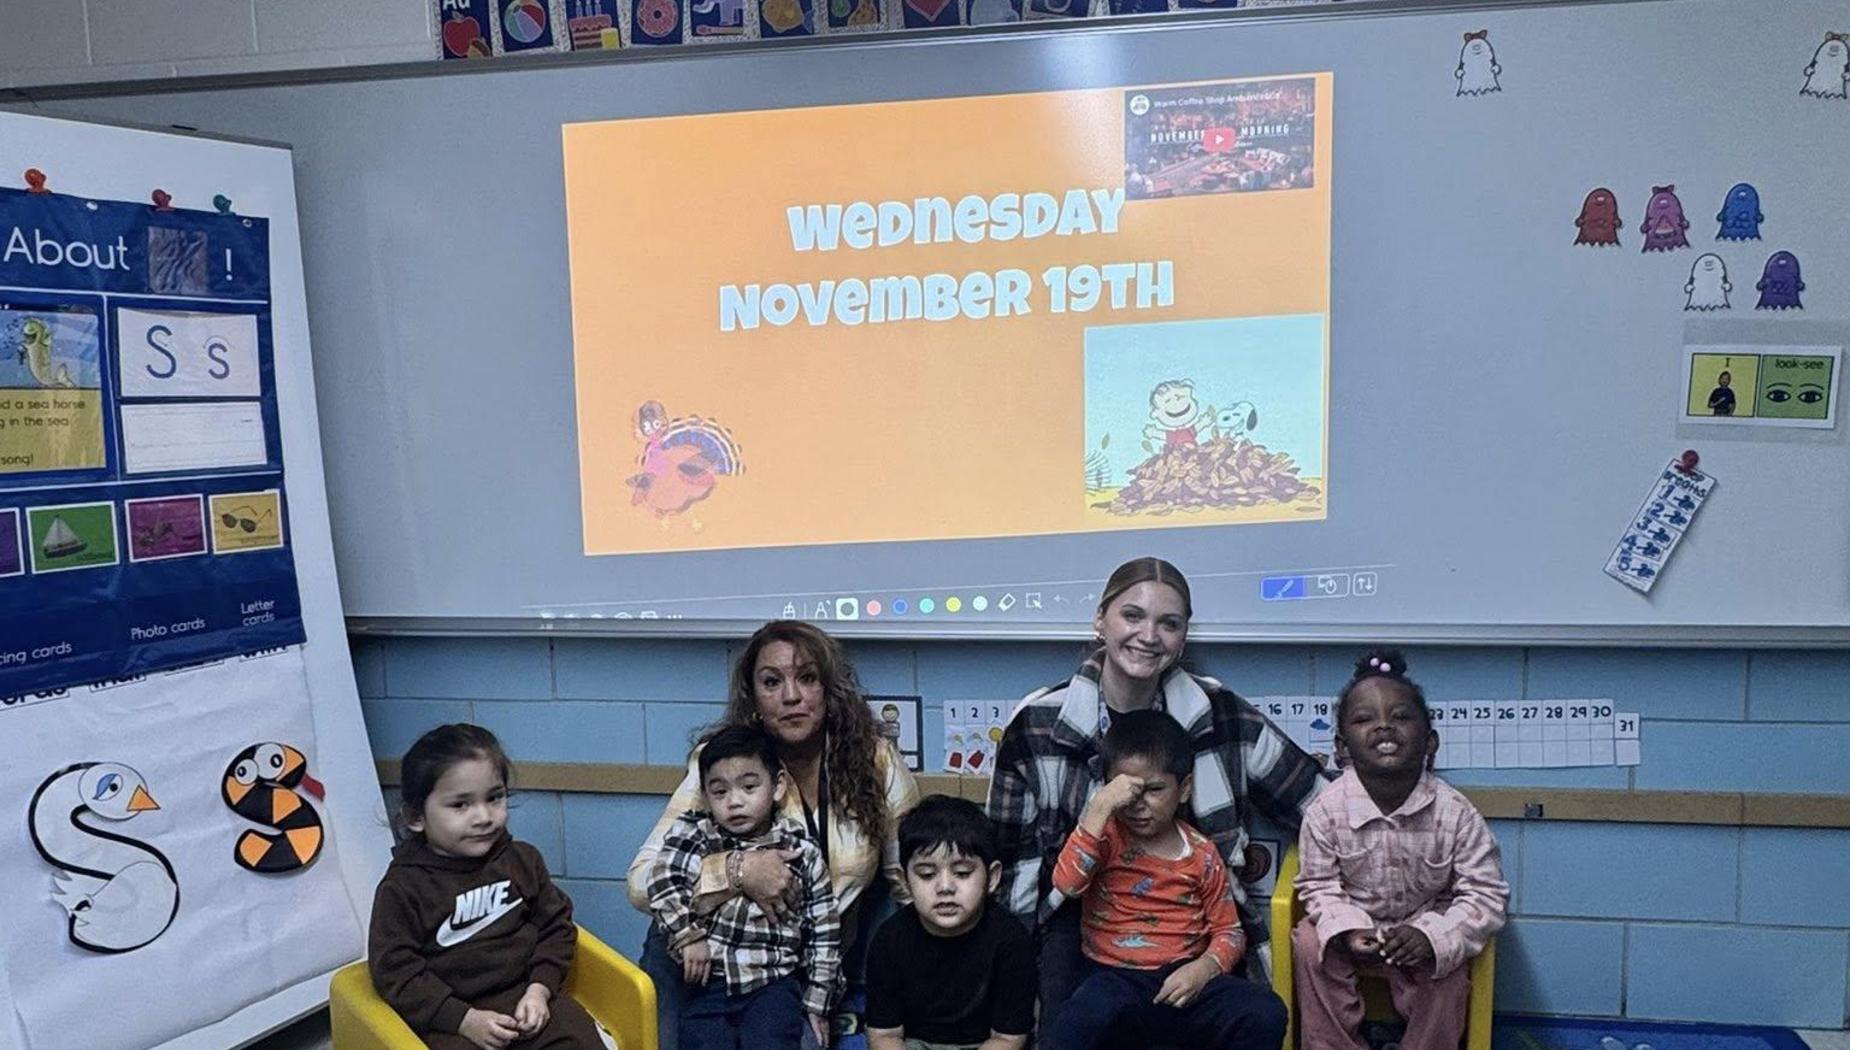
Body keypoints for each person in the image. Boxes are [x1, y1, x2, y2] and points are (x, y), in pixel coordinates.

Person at [987, 557, 1328, 1038]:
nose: (1149, 635)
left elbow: (1321, 806)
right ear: (1099, 621)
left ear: (1183, 638)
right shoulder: (1038, 721)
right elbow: (1010, 862)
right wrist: (1011, 968)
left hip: (1193, 922)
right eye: (1132, 616)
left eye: (1168, 623)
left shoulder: (1221, 713)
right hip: (1077, 925)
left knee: (1256, 1012)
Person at [629, 620, 921, 1050]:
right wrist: (738, 870)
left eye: (807, 678)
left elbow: (911, 881)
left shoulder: (875, 762)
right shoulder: (723, 764)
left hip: (795, 966)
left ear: (829, 689)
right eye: (772, 682)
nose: (791, 696)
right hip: (700, 962)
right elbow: (641, 883)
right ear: (753, 696)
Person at [1292, 650, 1508, 1050]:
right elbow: (1319, 886)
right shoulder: (1325, 811)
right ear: (1341, 748)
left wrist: (1431, 936)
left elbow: (1486, 894)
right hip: (1354, 930)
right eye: (1364, 719)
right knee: (1308, 942)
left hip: (1424, 928)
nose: (1384, 726)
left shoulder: (1456, 813)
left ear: (1430, 742)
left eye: (1401, 716)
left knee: (1450, 963)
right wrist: (1347, 928)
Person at [1047, 711, 1287, 1050]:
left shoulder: (1201, 853)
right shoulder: (1101, 838)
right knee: (1075, 1023)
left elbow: (1229, 933)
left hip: (1184, 978)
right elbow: (1067, 884)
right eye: (1126, 791)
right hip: (1112, 978)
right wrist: (1099, 808)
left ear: (1184, 789)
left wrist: (1203, 969)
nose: (1137, 805)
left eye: (1154, 790)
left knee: (1264, 1012)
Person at [368, 724, 604, 1050]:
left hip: (526, 996)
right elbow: (395, 972)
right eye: (460, 805)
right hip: (450, 1018)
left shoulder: (522, 860)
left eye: (494, 798)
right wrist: (463, 1019)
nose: (483, 816)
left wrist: (540, 989)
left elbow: (556, 927)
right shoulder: (403, 888)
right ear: (415, 817)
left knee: (579, 1036)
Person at [648, 725, 840, 1050]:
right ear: (706, 796)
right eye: (720, 792)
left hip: (773, 983)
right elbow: (663, 880)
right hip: (709, 981)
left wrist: (818, 1003)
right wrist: (688, 936)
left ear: (777, 786)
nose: (735, 802)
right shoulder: (697, 835)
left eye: (749, 787)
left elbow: (824, 930)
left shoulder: (800, 851)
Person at [864, 796, 1036, 1050]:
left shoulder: (1012, 942)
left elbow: (1008, 1038)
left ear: (992, 878)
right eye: (927, 874)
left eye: (963, 873)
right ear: (904, 880)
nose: (945, 887)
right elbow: (884, 1035)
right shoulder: (888, 940)